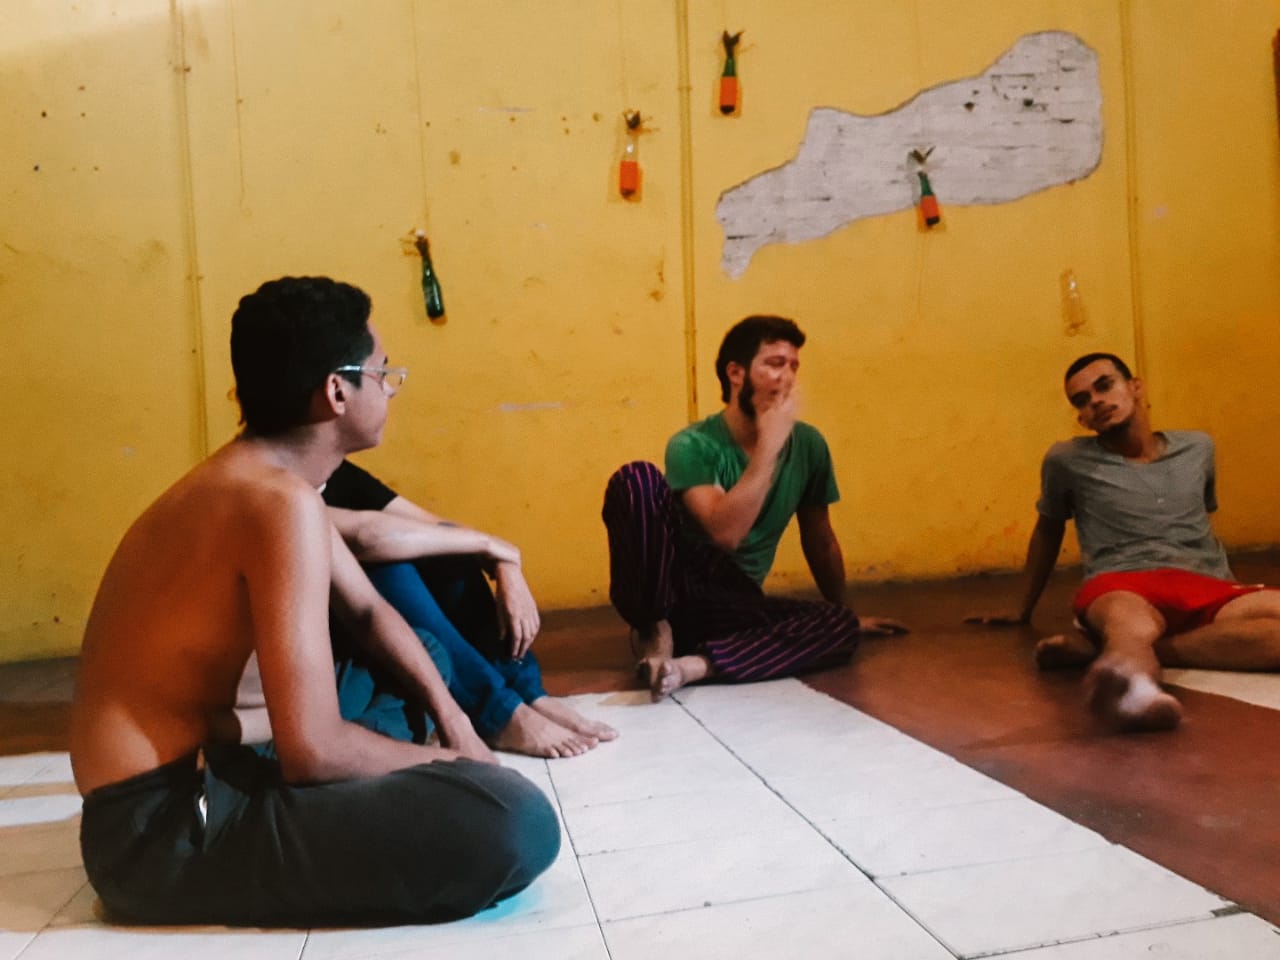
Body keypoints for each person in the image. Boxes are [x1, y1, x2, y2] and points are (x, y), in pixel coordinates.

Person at [70, 277, 559, 927]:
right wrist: (457, 764)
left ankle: (394, 764)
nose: (391, 387)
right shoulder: (274, 503)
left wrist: (458, 722)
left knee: (422, 658)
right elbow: (314, 753)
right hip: (162, 833)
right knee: (515, 820)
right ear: (337, 391)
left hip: (208, 771)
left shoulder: (268, 480)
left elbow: (368, 613)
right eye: (383, 372)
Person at [968, 352, 1280, 732]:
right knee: (1129, 631)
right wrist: (1021, 608)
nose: (1096, 401)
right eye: (1082, 400)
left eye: (1105, 386)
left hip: (1207, 582)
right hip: (1122, 583)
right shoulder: (1066, 460)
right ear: (1082, 419)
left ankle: (1103, 648)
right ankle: (1134, 692)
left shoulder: (1198, 448)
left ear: (1135, 387)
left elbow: (1201, 514)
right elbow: (1048, 530)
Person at [602, 314, 906, 700]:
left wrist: (845, 611)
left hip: (733, 599)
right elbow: (725, 533)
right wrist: (769, 447)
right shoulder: (693, 444)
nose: (787, 378)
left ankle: (693, 667)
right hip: (674, 584)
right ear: (736, 373)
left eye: (793, 366)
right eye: (775, 364)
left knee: (838, 626)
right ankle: (654, 631)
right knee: (637, 479)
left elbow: (820, 538)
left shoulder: (809, 445)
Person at [320, 459, 618, 757]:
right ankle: (498, 713)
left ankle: (527, 693)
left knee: (449, 552)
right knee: (385, 569)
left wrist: (504, 561)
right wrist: (495, 548)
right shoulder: (293, 484)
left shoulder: (332, 469)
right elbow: (367, 537)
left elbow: (435, 527)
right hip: (331, 656)